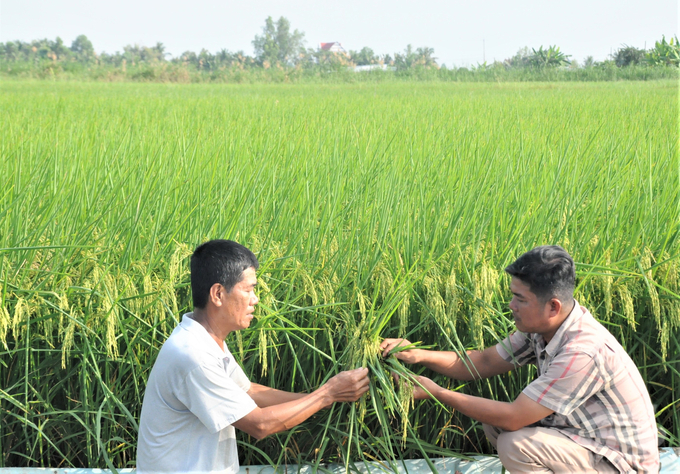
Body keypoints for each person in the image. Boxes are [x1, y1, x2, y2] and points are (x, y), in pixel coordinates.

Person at [380, 245, 659, 473]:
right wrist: (417, 354)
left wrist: (436, 392)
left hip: (621, 464)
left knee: (515, 443)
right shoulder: (542, 329)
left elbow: (515, 417)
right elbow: (484, 362)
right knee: (492, 421)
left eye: (520, 299)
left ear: (553, 306)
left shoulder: (582, 351)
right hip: (581, 439)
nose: (511, 306)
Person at [137, 239, 370, 474]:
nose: (255, 299)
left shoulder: (205, 340)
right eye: (248, 289)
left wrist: (319, 398)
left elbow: (249, 392)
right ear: (218, 293)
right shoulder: (194, 356)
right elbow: (259, 424)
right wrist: (327, 394)